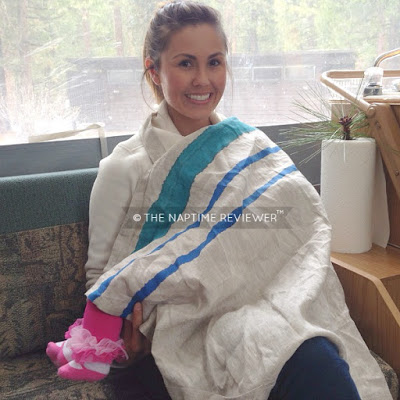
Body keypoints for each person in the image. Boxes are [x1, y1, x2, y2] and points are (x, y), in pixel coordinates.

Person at [46, 1, 392, 399]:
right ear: (154, 70)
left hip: (258, 310)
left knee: (315, 354)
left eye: (214, 62)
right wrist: (126, 347)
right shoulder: (125, 167)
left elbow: (286, 233)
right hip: (175, 332)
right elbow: (103, 281)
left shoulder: (246, 148)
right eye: (185, 63)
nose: (203, 80)